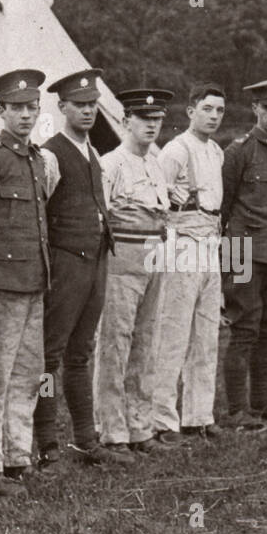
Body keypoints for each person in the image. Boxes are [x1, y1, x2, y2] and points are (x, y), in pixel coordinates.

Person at [35, 70, 134, 467]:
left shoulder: (91, 151)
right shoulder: (50, 153)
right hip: (65, 264)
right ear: (62, 108)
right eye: (80, 105)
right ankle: (47, 445)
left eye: (93, 104)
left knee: (81, 353)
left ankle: (85, 441)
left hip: (94, 262)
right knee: (48, 357)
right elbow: (38, 212)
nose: (90, 111)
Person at [0, 69, 52, 494]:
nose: (24, 115)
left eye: (31, 107)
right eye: (16, 108)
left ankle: (19, 456)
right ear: (0, 111)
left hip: (34, 281)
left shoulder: (36, 159)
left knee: (28, 374)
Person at [96, 87, 174, 455]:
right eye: (144, 119)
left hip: (154, 255)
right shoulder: (111, 163)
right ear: (126, 121)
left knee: (146, 342)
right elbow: (101, 217)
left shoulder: (155, 164)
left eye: (157, 119)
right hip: (123, 257)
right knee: (116, 342)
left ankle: (141, 427)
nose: (152, 126)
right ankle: (112, 430)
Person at [152, 83, 227, 441]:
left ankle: (198, 415)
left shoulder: (216, 151)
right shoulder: (174, 151)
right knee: (173, 333)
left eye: (219, 111)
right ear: (191, 111)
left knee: (207, 334)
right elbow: (157, 204)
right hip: (182, 242)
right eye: (207, 109)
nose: (213, 116)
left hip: (211, 241)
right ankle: (162, 419)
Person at [222, 79, 267, 429]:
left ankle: (263, 401)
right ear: (255, 110)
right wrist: (228, 262)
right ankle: (237, 409)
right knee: (244, 327)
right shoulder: (239, 150)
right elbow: (224, 206)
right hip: (242, 249)